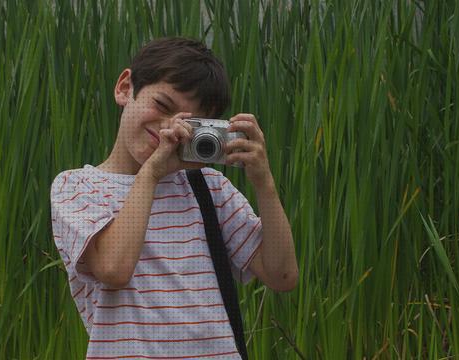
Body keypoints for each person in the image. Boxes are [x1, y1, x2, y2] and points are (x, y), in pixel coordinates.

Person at [50, 36, 298, 359]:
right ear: (125, 88)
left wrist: (264, 182)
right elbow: (114, 267)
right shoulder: (77, 187)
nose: (169, 129)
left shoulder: (209, 189)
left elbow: (282, 275)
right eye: (163, 107)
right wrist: (152, 172)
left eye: (187, 125)